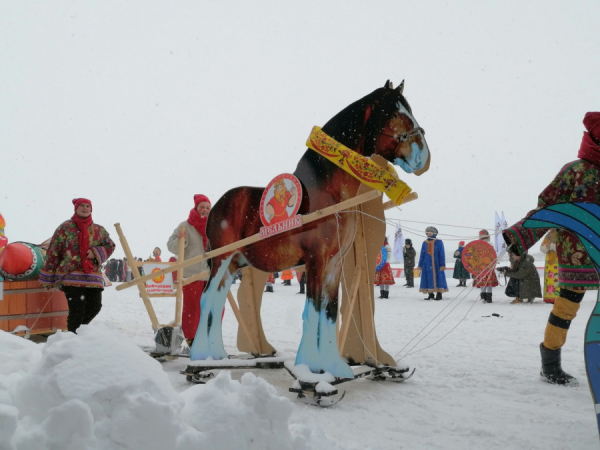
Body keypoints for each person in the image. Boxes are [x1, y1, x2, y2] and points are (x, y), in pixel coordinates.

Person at [503, 111, 600, 386]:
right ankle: (551, 361)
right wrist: (521, 236)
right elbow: (548, 207)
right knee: (568, 306)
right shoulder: (575, 171)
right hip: (577, 253)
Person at [39, 198, 115, 333]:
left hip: (92, 276)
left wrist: (95, 252)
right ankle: (74, 338)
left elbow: (110, 245)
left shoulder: (99, 230)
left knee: (95, 307)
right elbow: (54, 250)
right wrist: (48, 276)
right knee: (77, 310)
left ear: (91, 209)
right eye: (82, 206)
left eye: (88, 206)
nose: (85, 208)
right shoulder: (65, 227)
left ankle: (76, 334)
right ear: (76, 208)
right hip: (70, 275)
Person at [167, 194, 212, 343]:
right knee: (192, 309)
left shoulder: (214, 225)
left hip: (210, 274)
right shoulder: (185, 226)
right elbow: (171, 246)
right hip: (190, 274)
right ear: (196, 208)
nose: (205, 210)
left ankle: (209, 337)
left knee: (213, 308)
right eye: (202, 207)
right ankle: (191, 339)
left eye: (207, 208)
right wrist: (182, 239)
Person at [417, 226, 448, 300]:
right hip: (426, 264)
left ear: (434, 233)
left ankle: (439, 293)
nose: (429, 233)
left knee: (438, 278)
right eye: (428, 232)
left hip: (437, 263)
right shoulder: (424, 243)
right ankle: (430, 294)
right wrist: (420, 264)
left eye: (431, 231)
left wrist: (442, 264)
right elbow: (422, 254)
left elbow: (442, 254)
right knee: (428, 278)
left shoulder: (439, 242)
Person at [472, 229, 498, 303]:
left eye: (481, 234)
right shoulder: (477, 244)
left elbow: (492, 255)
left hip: (487, 266)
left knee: (487, 282)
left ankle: (488, 297)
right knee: (483, 282)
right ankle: (484, 297)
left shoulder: (489, 244)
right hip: (481, 267)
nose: (480, 236)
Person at [540, 229, 559, 304]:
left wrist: (551, 245)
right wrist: (546, 247)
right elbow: (541, 248)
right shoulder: (548, 235)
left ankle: (558, 297)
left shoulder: (561, 234)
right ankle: (549, 297)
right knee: (549, 279)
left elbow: (562, 247)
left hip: (558, 260)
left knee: (558, 279)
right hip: (549, 262)